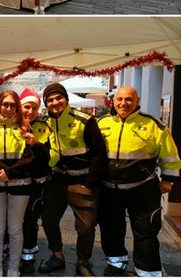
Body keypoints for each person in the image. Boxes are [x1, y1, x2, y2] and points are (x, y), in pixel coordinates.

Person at [96, 86, 181, 276]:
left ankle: (148, 271)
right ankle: (116, 264)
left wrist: (168, 180)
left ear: (137, 100)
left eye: (128, 99)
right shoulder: (101, 123)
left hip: (142, 188)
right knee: (111, 229)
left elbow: (170, 155)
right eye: (119, 99)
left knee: (146, 232)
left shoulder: (153, 125)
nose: (123, 103)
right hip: (109, 189)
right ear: (113, 101)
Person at [38, 83, 107, 277]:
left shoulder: (85, 120)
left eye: (58, 98)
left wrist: (90, 182)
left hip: (82, 181)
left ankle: (83, 262)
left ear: (66, 99)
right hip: (57, 180)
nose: (54, 102)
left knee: (86, 227)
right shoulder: (46, 122)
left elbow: (98, 153)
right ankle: (57, 256)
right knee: (48, 219)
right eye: (50, 100)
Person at [0, 90, 34, 277]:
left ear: (18, 107)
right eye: (5, 104)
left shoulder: (25, 127)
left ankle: (13, 268)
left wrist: (11, 172)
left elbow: (30, 156)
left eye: (13, 105)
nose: (9, 108)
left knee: (15, 228)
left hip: (20, 184)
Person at [17, 89, 56, 275]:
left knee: (30, 221)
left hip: (37, 183)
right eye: (26, 107)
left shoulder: (45, 126)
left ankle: (28, 256)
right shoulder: (10, 124)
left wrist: (36, 144)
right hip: (15, 182)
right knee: (12, 221)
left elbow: (51, 156)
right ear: (19, 106)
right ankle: (5, 252)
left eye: (34, 107)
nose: (30, 111)